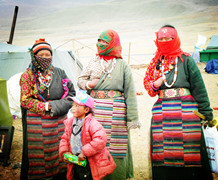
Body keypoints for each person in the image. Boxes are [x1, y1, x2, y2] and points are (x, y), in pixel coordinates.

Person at [143, 25, 213, 180]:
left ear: (175, 39)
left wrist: (206, 112)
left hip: (187, 112)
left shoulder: (186, 59)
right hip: (162, 113)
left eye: (168, 38)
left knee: (190, 147)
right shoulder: (155, 63)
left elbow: (198, 87)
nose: (164, 41)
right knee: (163, 149)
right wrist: (155, 84)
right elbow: (148, 87)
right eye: (161, 39)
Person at [77, 29, 139, 179]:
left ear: (113, 44)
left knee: (115, 147)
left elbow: (130, 91)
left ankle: (116, 176)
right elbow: (80, 81)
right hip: (95, 112)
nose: (100, 44)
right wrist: (89, 84)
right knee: (95, 143)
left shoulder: (122, 64)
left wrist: (132, 119)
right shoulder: (92, 61)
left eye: (104, 42)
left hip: (116, 113)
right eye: (99, 41)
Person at [20, 39, 75, 179]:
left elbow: (71, 94)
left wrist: (54, 106)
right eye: (41, 55)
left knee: (59, 149)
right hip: (37, 122)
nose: (45, 58)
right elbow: (25, 100)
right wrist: (44, 106)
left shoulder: (60, 72)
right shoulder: (28, 75)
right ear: (34, 56)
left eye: (48, 54)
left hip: (59, 118)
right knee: (40, 155)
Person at [59, 90, 116, 180]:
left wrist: (84, 152)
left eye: (77, 106)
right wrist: (64, 152)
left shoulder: (92, 124)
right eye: (73, 105)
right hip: (75, 161)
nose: (73, 108)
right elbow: (64, 139)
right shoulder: (70, 123)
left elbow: (100, 139)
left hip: (89, 162)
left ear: (86, 110)